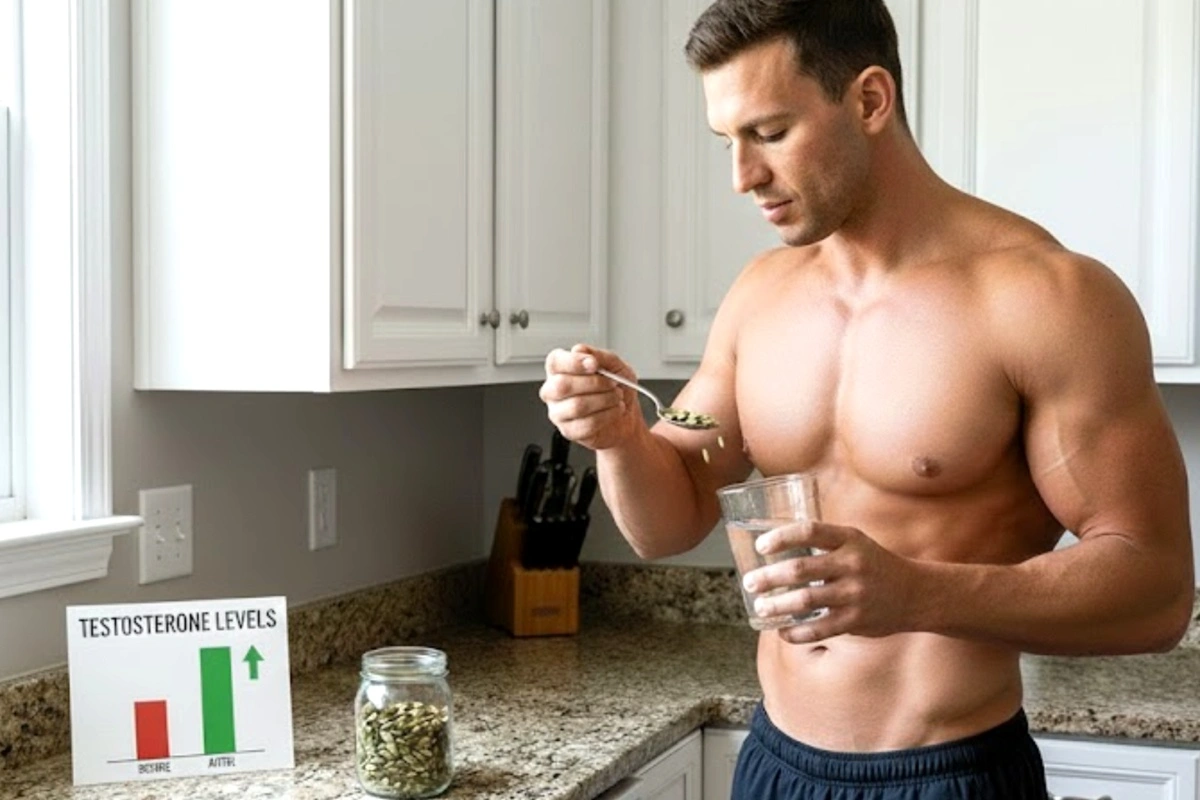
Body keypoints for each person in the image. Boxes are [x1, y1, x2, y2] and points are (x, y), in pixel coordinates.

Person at [540, 0, 1194, 797]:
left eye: (770, 133)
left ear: (871, 100)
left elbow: (1157, 592)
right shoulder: (760, 296)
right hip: (776, 765)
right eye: (728, 141)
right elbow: (666, 520)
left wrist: (913, 592)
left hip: (947, 773)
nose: (742, 177)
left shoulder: (1047, 298)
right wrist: (618, 437)